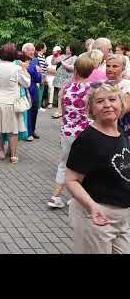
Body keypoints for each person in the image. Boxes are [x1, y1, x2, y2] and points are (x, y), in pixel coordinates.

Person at [66, 82, 130, 254]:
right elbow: (71, 181)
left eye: (112, 99)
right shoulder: (88, 140)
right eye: (100, 101)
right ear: (91, 109)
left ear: (121, 104)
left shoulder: (121, 133)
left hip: (123, 217)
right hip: (96, 216)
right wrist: (92, 206)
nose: (108, 104)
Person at [47, 54, 95, 209]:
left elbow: (62, 108)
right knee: (83, 166)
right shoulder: (92, 89)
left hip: (67, 130)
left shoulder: (67, 87)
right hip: (85, 132)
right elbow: (92, 112)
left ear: (75, 69)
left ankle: (55, 196)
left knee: (64, 164)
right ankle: (79, 197)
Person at [0, 43, 30, 164]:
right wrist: (25, 69)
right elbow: (27, 84)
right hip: (11, 103)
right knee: (13, 130)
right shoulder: (17, 68)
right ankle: (13, 156)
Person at [22, 43, 42, 141]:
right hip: (25, 89)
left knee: (34, 110)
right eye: (29, 49)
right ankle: (28, 132)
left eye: (33, 50)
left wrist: (36, 71)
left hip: (34, 89)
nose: (32, 52)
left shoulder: (35, 60)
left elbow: (38, 78)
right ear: (24, 50)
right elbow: (25, 72)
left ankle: (32, 131)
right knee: (28, 111)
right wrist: (35, 70)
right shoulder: (20, 60)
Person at [52, 44, 78, 118]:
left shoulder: (75, 58)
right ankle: (60, 111)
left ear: (72, 49)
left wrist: (63, 63)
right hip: (60, 78)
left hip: (68, 78)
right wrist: (55, 56)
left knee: (62, 95)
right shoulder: (62, 56)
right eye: (66, 48)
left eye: (68, 48)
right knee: (61, 94)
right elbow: (53, 62)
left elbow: (73, 68)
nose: (66, 49)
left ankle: (61, 111)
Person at [34, 43, 48, 112]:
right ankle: (38, 107)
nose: (46, 48)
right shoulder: (39, 57)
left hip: (42, 76)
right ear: (41, 48)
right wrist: (43, 77)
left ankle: (39, 106)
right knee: (39, 91)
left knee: (41, 91)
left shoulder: (41, 56)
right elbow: (41, 68)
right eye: (45, 47)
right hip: (41, 76)